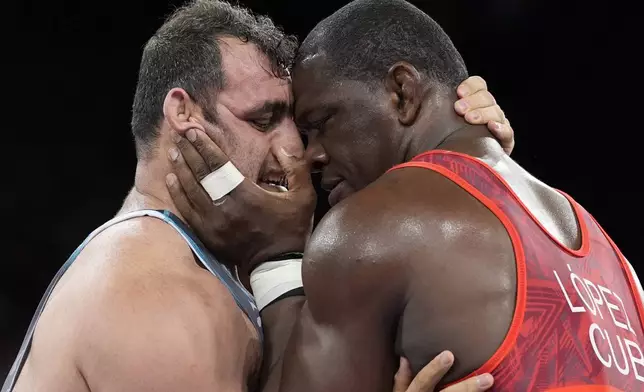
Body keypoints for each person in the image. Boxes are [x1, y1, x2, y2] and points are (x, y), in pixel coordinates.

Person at [2, 1, 513, 391]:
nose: (295, 149)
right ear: (184, 115)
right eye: (263, 120)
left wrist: (467, 155)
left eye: (301, 126)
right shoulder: (151, 285)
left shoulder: (231, 269)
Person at [166, 0, 644, 391]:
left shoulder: (372, 228)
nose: (309, 156)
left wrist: (276, 253)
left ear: (401, 91)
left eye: (321, 124)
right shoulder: (618, 266)